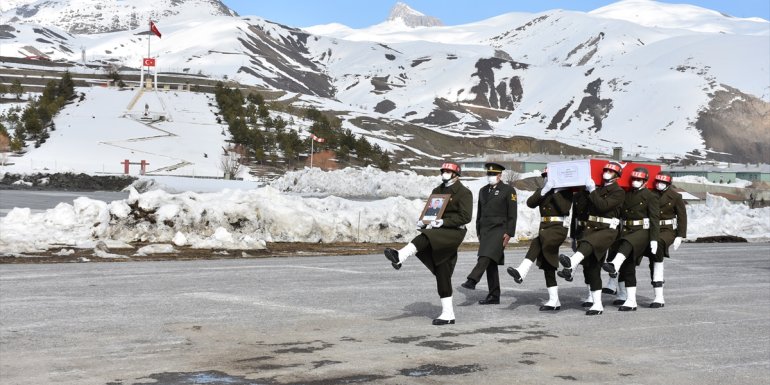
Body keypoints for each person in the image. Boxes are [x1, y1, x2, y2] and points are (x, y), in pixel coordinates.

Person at [384, 162, 473, 325]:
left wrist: (443, 222)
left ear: (456, 174)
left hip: (454, 232)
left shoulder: (464, 192)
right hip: (437, 230)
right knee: (442, 271)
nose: (444, 173)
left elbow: (466, 217)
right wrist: (423, 221)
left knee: (426, 237)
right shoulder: (437, 191)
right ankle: (448, 314)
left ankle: (400, 256)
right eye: (443, 171)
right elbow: (431, 210)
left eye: (448, 171)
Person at [558, 161, 625, 315]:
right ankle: (597, 304)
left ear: (617, 176)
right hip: (590, 228)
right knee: (591, 268)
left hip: (607, 230)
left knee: (588, 243)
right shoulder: (595, 190)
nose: (606, 173)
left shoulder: (618, 192)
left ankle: (571, 262)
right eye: (605, 170)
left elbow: (602, 206)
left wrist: (593, 190)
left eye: (610, 171)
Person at [506, 168, 572, 311]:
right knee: (548, 265)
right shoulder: (543, 190)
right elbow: (530, 203)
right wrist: (544, 191)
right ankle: (554, 301)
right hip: (545, 228)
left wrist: (555, 191)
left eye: (549, 176)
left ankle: (522, 271)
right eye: (545, 176)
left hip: (558, 228)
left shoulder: (565, 191)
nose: (546, 178)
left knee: (538, 241)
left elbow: (564, 208)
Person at [602, 168, 659, 311]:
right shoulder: (626, 195)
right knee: (628, 268)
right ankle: (631, 300)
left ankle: (614, 263)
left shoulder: (650, 196)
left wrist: (654, 239)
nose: (635, 182)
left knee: (628, 243)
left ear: (645, 182)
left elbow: (654, 219)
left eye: (639, 180)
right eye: (633, 179)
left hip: (642, 231)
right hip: (626, 229)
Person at [461, 162, 517, 305]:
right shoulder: (483, 190)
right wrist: (478, 229)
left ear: (500, 175)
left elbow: (512, 213)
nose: (490, 176)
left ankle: (472, 279)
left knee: (485, 256)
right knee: (491, 262)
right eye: (489, 174)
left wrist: (509, 232)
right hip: (485, 230)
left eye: (493, 174)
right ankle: (494, 295)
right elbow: (480, 212)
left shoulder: (508, 190)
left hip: (500, 229)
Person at [645, 172, 687, 308]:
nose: (658, 184)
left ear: (668, 184)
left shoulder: (675, 196)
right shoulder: (651, 195)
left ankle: (659, 297)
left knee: (659, 246)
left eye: (662, 182)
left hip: (667, 230)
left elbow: (682, 216)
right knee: (651, 258)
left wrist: (680, 235)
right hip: (652, 229)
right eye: (657, 182)